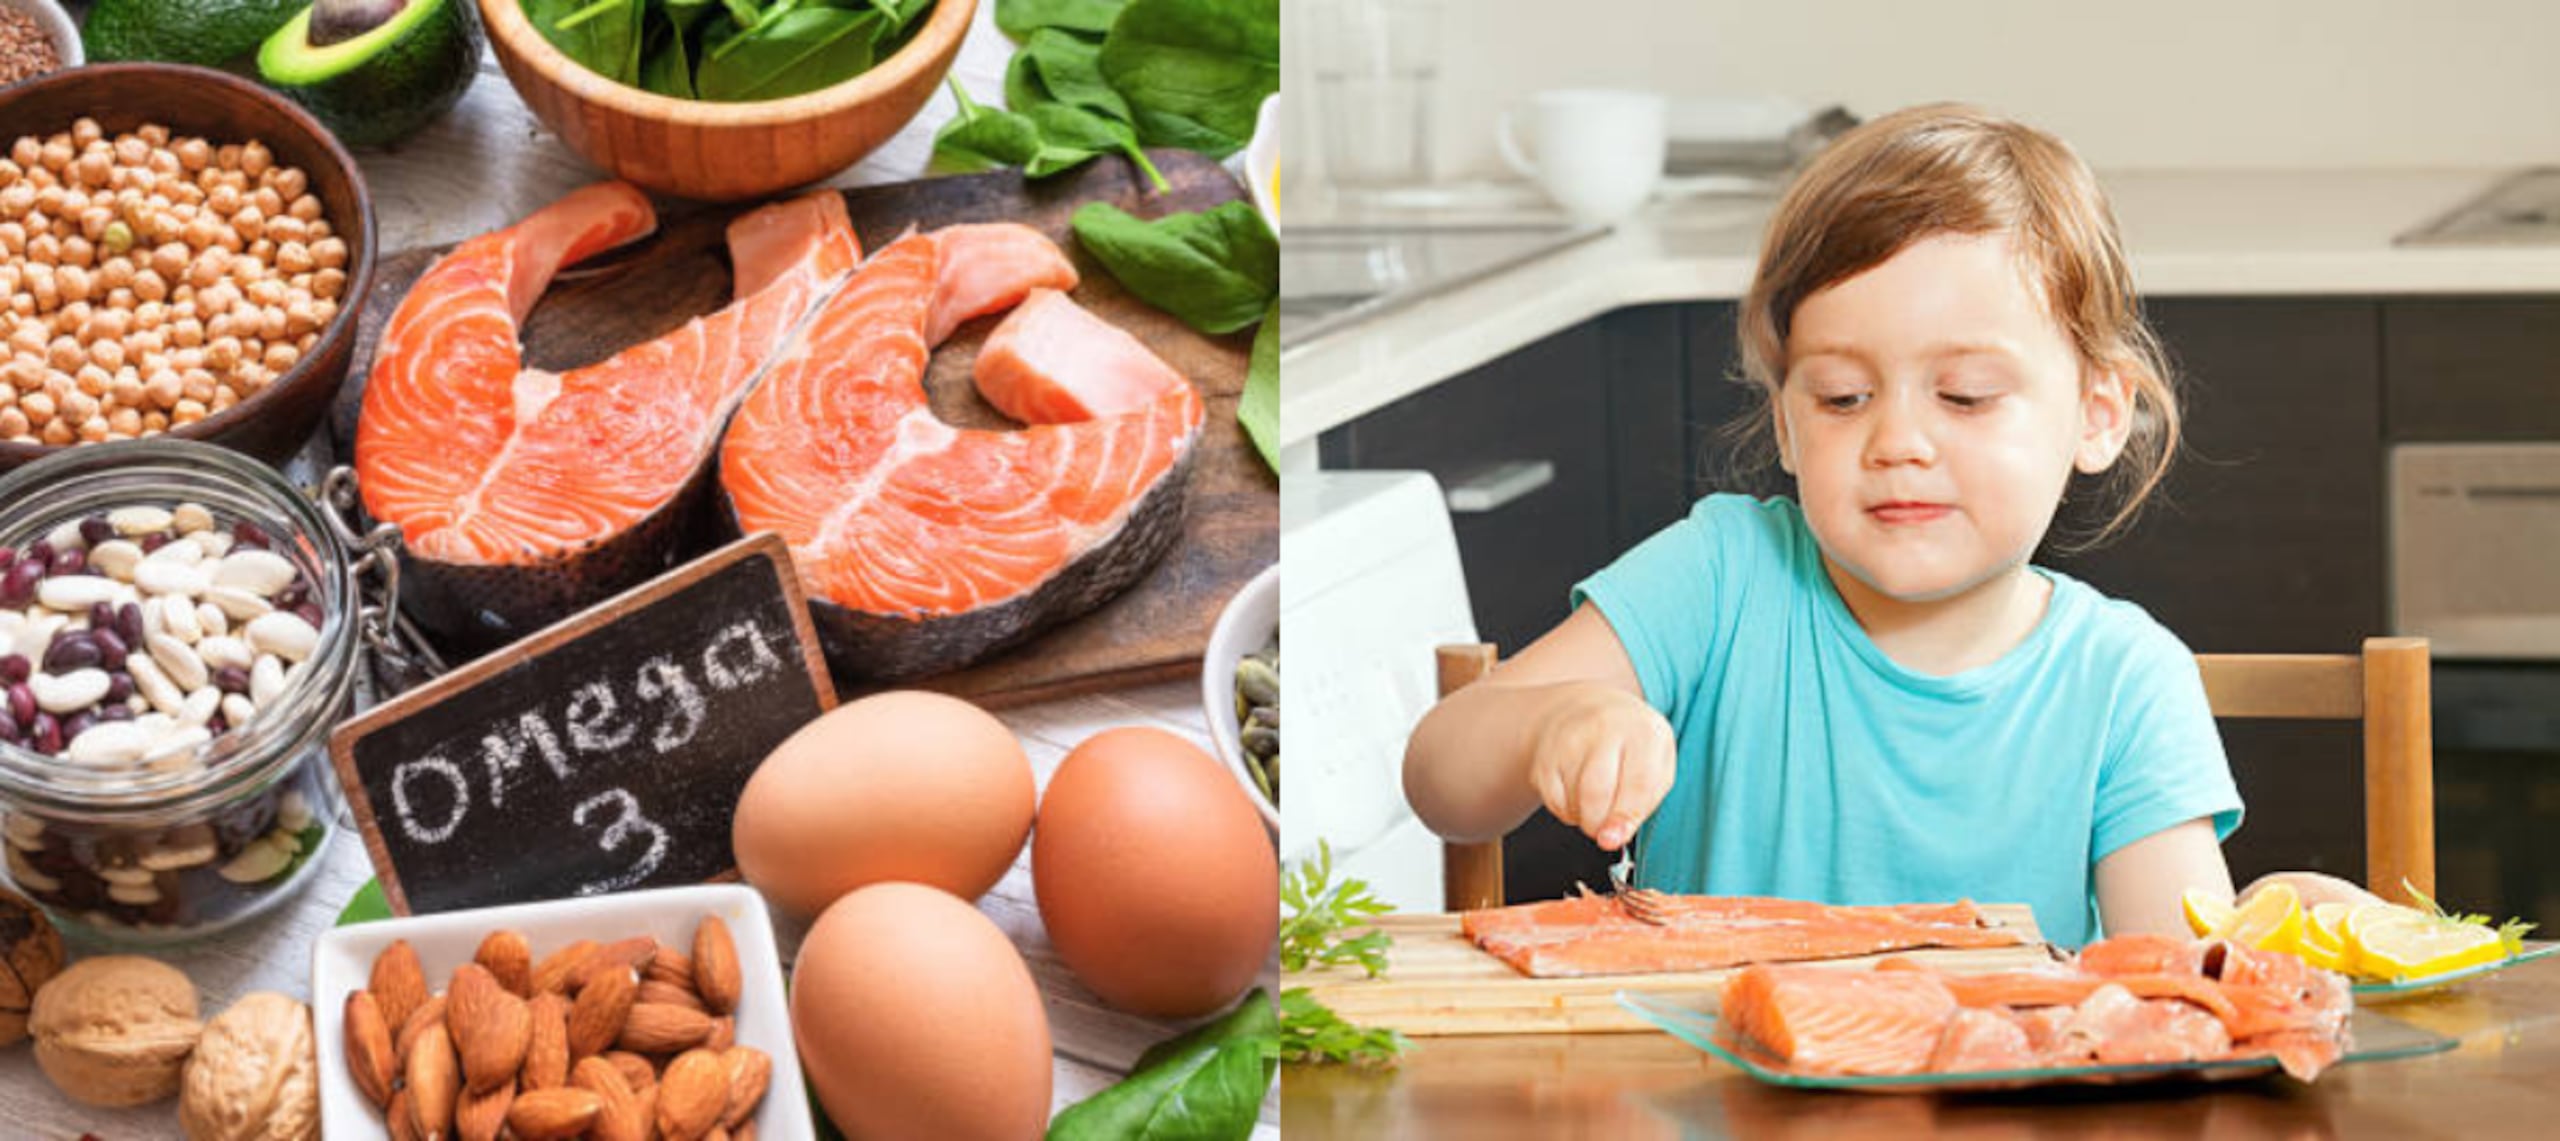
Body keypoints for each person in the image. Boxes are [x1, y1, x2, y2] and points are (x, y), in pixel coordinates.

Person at [1405, 103, 2312, 947]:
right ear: (1787, 422)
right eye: (1843, 397)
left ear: (2098, 413)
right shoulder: (1720, 576)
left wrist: (2286, 934)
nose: (1898, 442)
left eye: (1965, 395)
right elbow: (1439, 774)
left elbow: (2186, 988)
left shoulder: (2124, 683)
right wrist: (1551, 723)